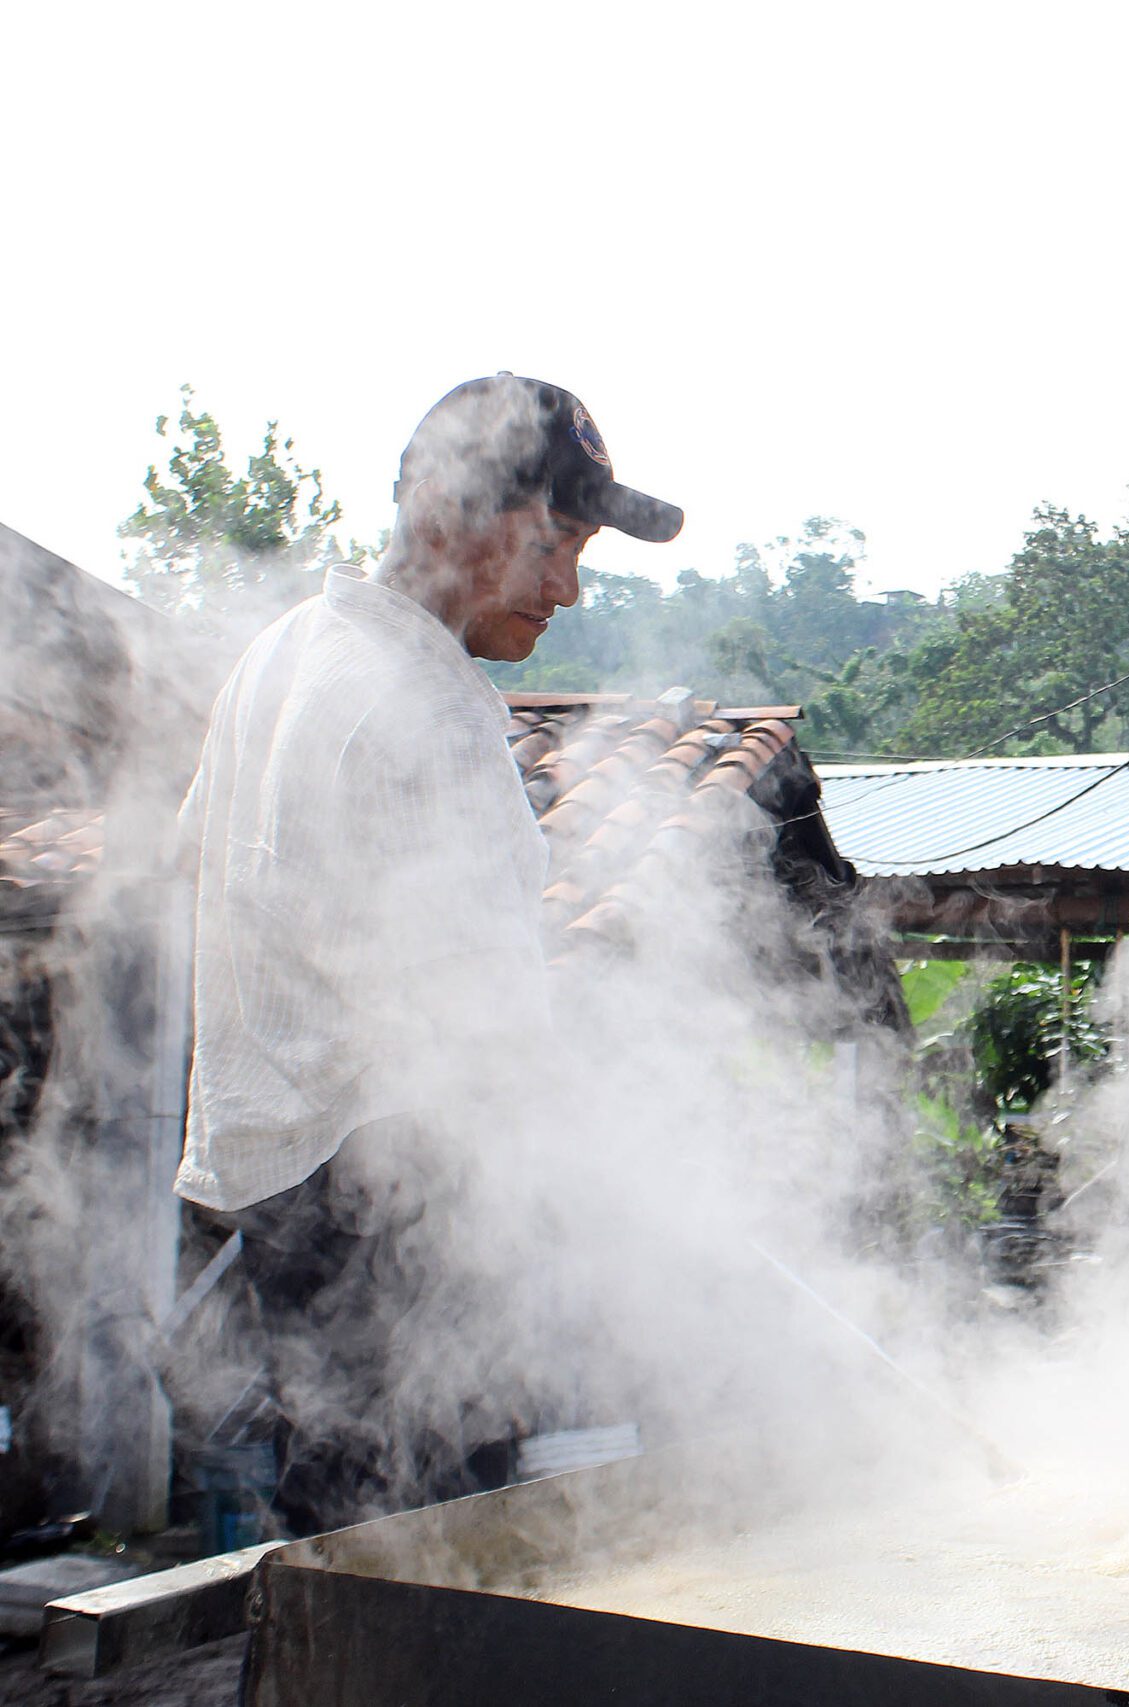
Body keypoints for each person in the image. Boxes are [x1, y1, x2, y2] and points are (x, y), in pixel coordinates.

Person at [174, 374, 681, 1527]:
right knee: (437, 1552)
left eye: (582, 549)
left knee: (341, 1522)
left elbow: (197, 864)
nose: (568, 587)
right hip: (400, 1202)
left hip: (283, 1189)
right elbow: (486, 1037)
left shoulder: (281, 657)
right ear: (444, 516)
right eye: (552, 542)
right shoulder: (429, 706)